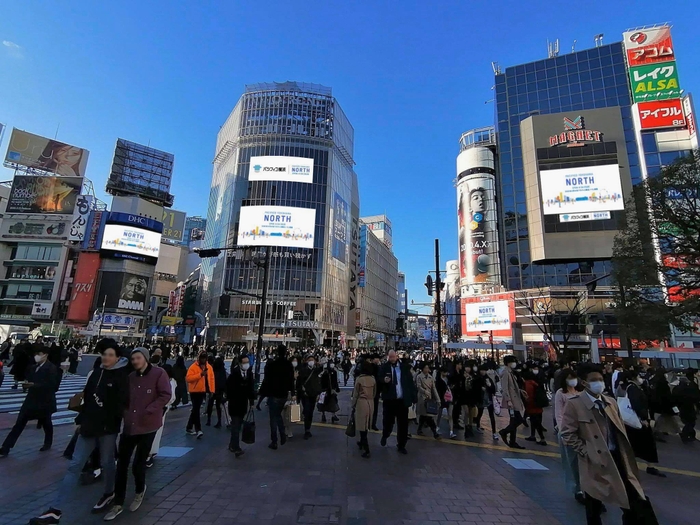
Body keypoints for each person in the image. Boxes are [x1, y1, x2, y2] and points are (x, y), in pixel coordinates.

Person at [29, 340, 129, 524]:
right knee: (75, 465)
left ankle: (109, 492)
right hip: (89, 427)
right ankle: (56, 510)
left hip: (107, 428)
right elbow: (87, 397)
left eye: (110, 355)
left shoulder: (122, 376)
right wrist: (79, 420)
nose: (106, 357)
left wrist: (108, 415)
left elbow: (122, 404)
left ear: (118, 358)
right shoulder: (97, 373)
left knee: (107, 463)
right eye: (104, 354)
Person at [559, 363, 659, 525]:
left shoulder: (611, 402)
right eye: (594, 380)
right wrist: (586, 451)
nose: (599, 382)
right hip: (594, 461)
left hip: (617, 457)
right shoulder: (575, 404)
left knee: (633, 498)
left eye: (600, 379)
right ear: (584, 382)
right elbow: (567, 434)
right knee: (594, 504)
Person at [103, 348, 171, 521]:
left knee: (138, 464)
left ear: (145, 359)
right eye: (133, 358)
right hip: (130, 426)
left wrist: (151, 409)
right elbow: (123, 398)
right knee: (122, 465)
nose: (135, 361)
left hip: (148, 425)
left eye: (138, 358)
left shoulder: (158, 373)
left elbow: (165, 394)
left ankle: (140, 491)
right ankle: (118, 502)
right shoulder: (130, 377)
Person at [0, 345, 61, 457]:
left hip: (44, 402)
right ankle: (6, 447)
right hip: (31, 401)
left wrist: (34, 385)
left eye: (39, 354)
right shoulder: (33, 367)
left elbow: (53, 386)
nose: (36, 356)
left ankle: (48, 442)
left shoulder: (52, 368)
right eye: (35, 354)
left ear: (45, 355)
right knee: (19, 424)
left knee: (47, 423)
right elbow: (30, 378)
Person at [621, 369, 665, 478]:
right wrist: (644, 418)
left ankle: (632, 465)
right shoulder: (633, 389)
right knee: (647, 443)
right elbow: (637, 404)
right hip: (637, 421)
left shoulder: (628, 387)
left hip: (632, 421)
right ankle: (648, 466)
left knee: (634, 444)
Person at [553, 368, 585, 505]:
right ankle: (577, 489)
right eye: (569, 378)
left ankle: (586, 488)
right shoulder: (561, 393)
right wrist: (563, 431)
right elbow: (559, 414)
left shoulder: (581, 392)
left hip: (582, 430)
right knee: (572, 462)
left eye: (574, 377)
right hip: (568, 431)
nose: (573, 380)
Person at [379, 350, 417, 454]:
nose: (392, 359)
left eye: (393, 357)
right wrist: (384, 380)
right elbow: (379, 379)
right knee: (388, 421)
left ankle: (401, 445)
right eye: (390, 357)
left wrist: (413, 397)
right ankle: (385, 434)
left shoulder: (404, 368)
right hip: (390, 400)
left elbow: (410, 383)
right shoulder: (384, 367)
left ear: (396, 356)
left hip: (401, 400)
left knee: (403, 424)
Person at [259, 345, 295, 449]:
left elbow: (267, 380)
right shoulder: (288, 365)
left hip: (273, 393)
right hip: (283, 394)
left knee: (273, 417)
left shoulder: (272, 365)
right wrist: (292, 392)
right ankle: (282, 433)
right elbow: (291, 380)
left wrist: (262, 392)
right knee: (277, 414)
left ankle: (275, 440)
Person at [147, 364, 177, 468]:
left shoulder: (169, 382)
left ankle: (150, 453)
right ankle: (151, 452)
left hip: (161, 408)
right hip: (159, 408)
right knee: (155, 431)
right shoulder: (169, 381)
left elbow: (170, 397)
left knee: (155, 431)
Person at [226, 354, 256, 457]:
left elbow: (251, 389)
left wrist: (252, 402)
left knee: (237, 426)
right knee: (236, 425)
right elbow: (229, 389)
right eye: (244, 362)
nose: (246, 364)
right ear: (239, 363)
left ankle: (231, 444)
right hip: (234, 404)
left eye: (247, 362)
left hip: (243, 404)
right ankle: (236, 447)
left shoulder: (249, 374)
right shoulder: (234, 374)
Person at [185, 351, 215, 438]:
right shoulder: (193, 367)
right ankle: (198, 429)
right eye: (202, 358)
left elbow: (212, 379)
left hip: (203, 391)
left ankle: (189, 426)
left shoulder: (209, 367)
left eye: (205, 358)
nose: (203, 360)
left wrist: (212, 390)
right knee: (196, 410)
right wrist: (200, 375)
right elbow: (188, 378)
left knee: (195, 409)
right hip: (194, 391)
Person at [499, 355, 526, 449]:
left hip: (513, 399)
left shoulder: (510, 372)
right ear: (508, 363)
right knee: (518, 419)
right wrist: (508, 400)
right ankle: (504, 432)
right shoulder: (506, 373)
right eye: (512, 362)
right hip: (511, 401)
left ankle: (512, 441)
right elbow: (505, 388)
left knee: (514, 420)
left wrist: (520, 391)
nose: (514, 363)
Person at [352, 360, 376, 458]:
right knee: (366, 424)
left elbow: (355, 394)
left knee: (361, 425)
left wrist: (353, 405)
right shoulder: (373, 379)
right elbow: (375, 393)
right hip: (370, 402)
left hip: (361, 402)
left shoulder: (359, 379)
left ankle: (366, 448)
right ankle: (362, 442)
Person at [296, 354, 323, 440]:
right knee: (307, 411)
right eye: (309, 360)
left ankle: (308, 428)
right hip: (305, 395)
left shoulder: (316, 371)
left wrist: (318, 394)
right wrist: (301, 392)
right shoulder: (303, 370)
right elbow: (299, 383)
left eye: (313, 360)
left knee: (310, 412)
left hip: (313, 395)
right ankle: (306, 430)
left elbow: (318, 382)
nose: (311, 361)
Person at [415, 363, 441, 440]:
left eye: (427, 368)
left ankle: (419, 429)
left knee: (425, 416)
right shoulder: (419, 376)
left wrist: (437, 399)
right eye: (425, 368)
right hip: (422, 398)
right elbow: (418, 386)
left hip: (429, 398)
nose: (427, 369)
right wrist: (424, 391)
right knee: (428, 417)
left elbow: (434, 388)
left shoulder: (431, 377)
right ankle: (435, 433)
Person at [674, 369, 700, 443]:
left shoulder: (678, 388)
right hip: (688, 406)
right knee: (691, 422)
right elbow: (695, 396)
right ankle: (685, 434)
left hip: (682, 407)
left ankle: (691, 435)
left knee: (689, 421)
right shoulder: (690, 387)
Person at [523, 369, 548, 446]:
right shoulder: (535, 382)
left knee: (536, 423)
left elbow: (529, 396)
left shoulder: (528, 384)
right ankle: (533, 435)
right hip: (539, 406)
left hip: (533, 406)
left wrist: (526, 403)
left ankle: (542, 438)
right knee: (536, 422)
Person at [474, 364, 498, 440]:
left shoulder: (488, 379)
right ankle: (477, 425)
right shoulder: (477, 378)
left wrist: (489, 386)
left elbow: (493, 390)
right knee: (480, 413)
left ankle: (494, 432)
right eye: (482, 370)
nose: (483, 372)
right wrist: (481, 388)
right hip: (481, 399)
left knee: (491, 416)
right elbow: (475, 387)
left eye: (484, 370)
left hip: (488, 399)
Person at [206, 357, 228, 428]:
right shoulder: (223, 371)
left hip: (213, 390)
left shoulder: (213, 370)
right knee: (218, 406)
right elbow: (225, 381)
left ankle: (209, 420)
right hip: (220, 391)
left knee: (210, 405)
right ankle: (219, 421)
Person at [436, 367, 456, 439]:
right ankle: (437, 427)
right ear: (442, 372)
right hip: (442, 399)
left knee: (450, 415)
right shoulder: (438, 380)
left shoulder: (449, 379)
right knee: (439, 414)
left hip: (449, 398)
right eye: (445, 372)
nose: (446, 373)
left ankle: (451, 431)